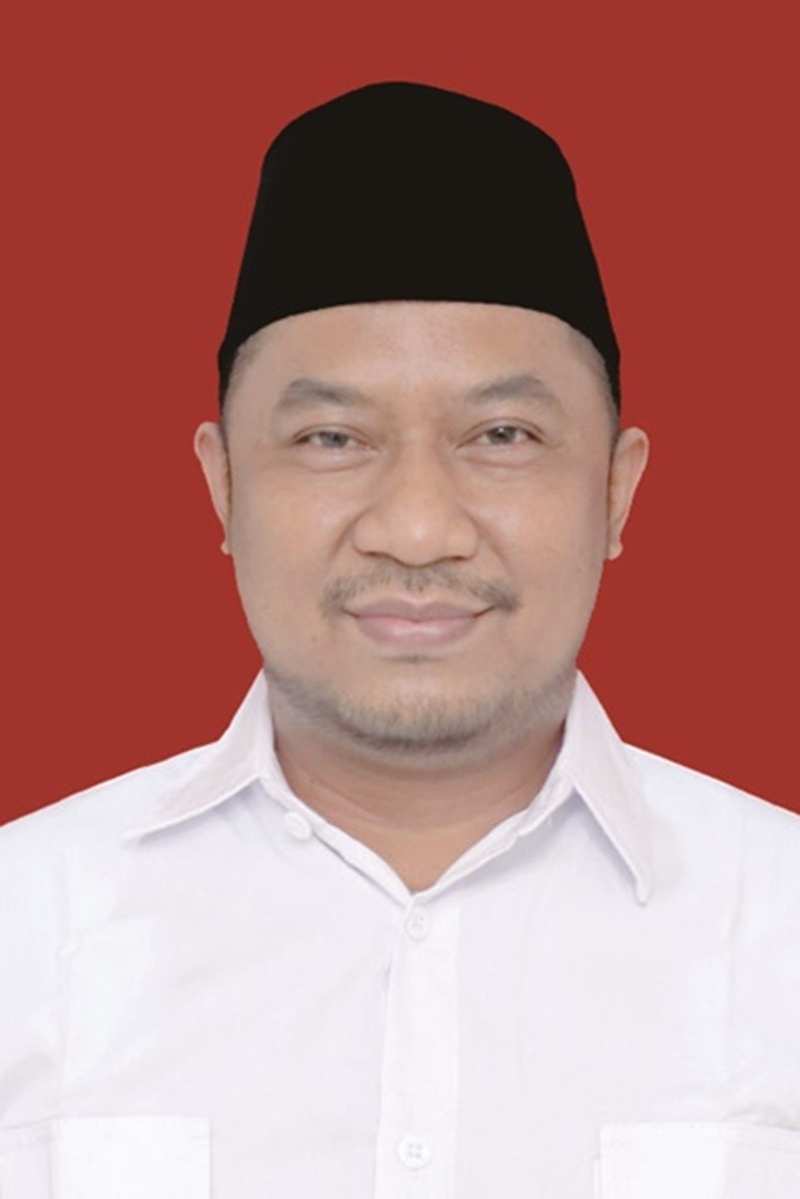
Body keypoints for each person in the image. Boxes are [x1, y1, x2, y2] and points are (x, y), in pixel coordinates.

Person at [1, 81, 799, 1199]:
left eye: (502, 435)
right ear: (222, 487)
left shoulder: (779, 923)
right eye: (332, 438)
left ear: (616, 493)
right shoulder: (24, 924)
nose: (417, 529)